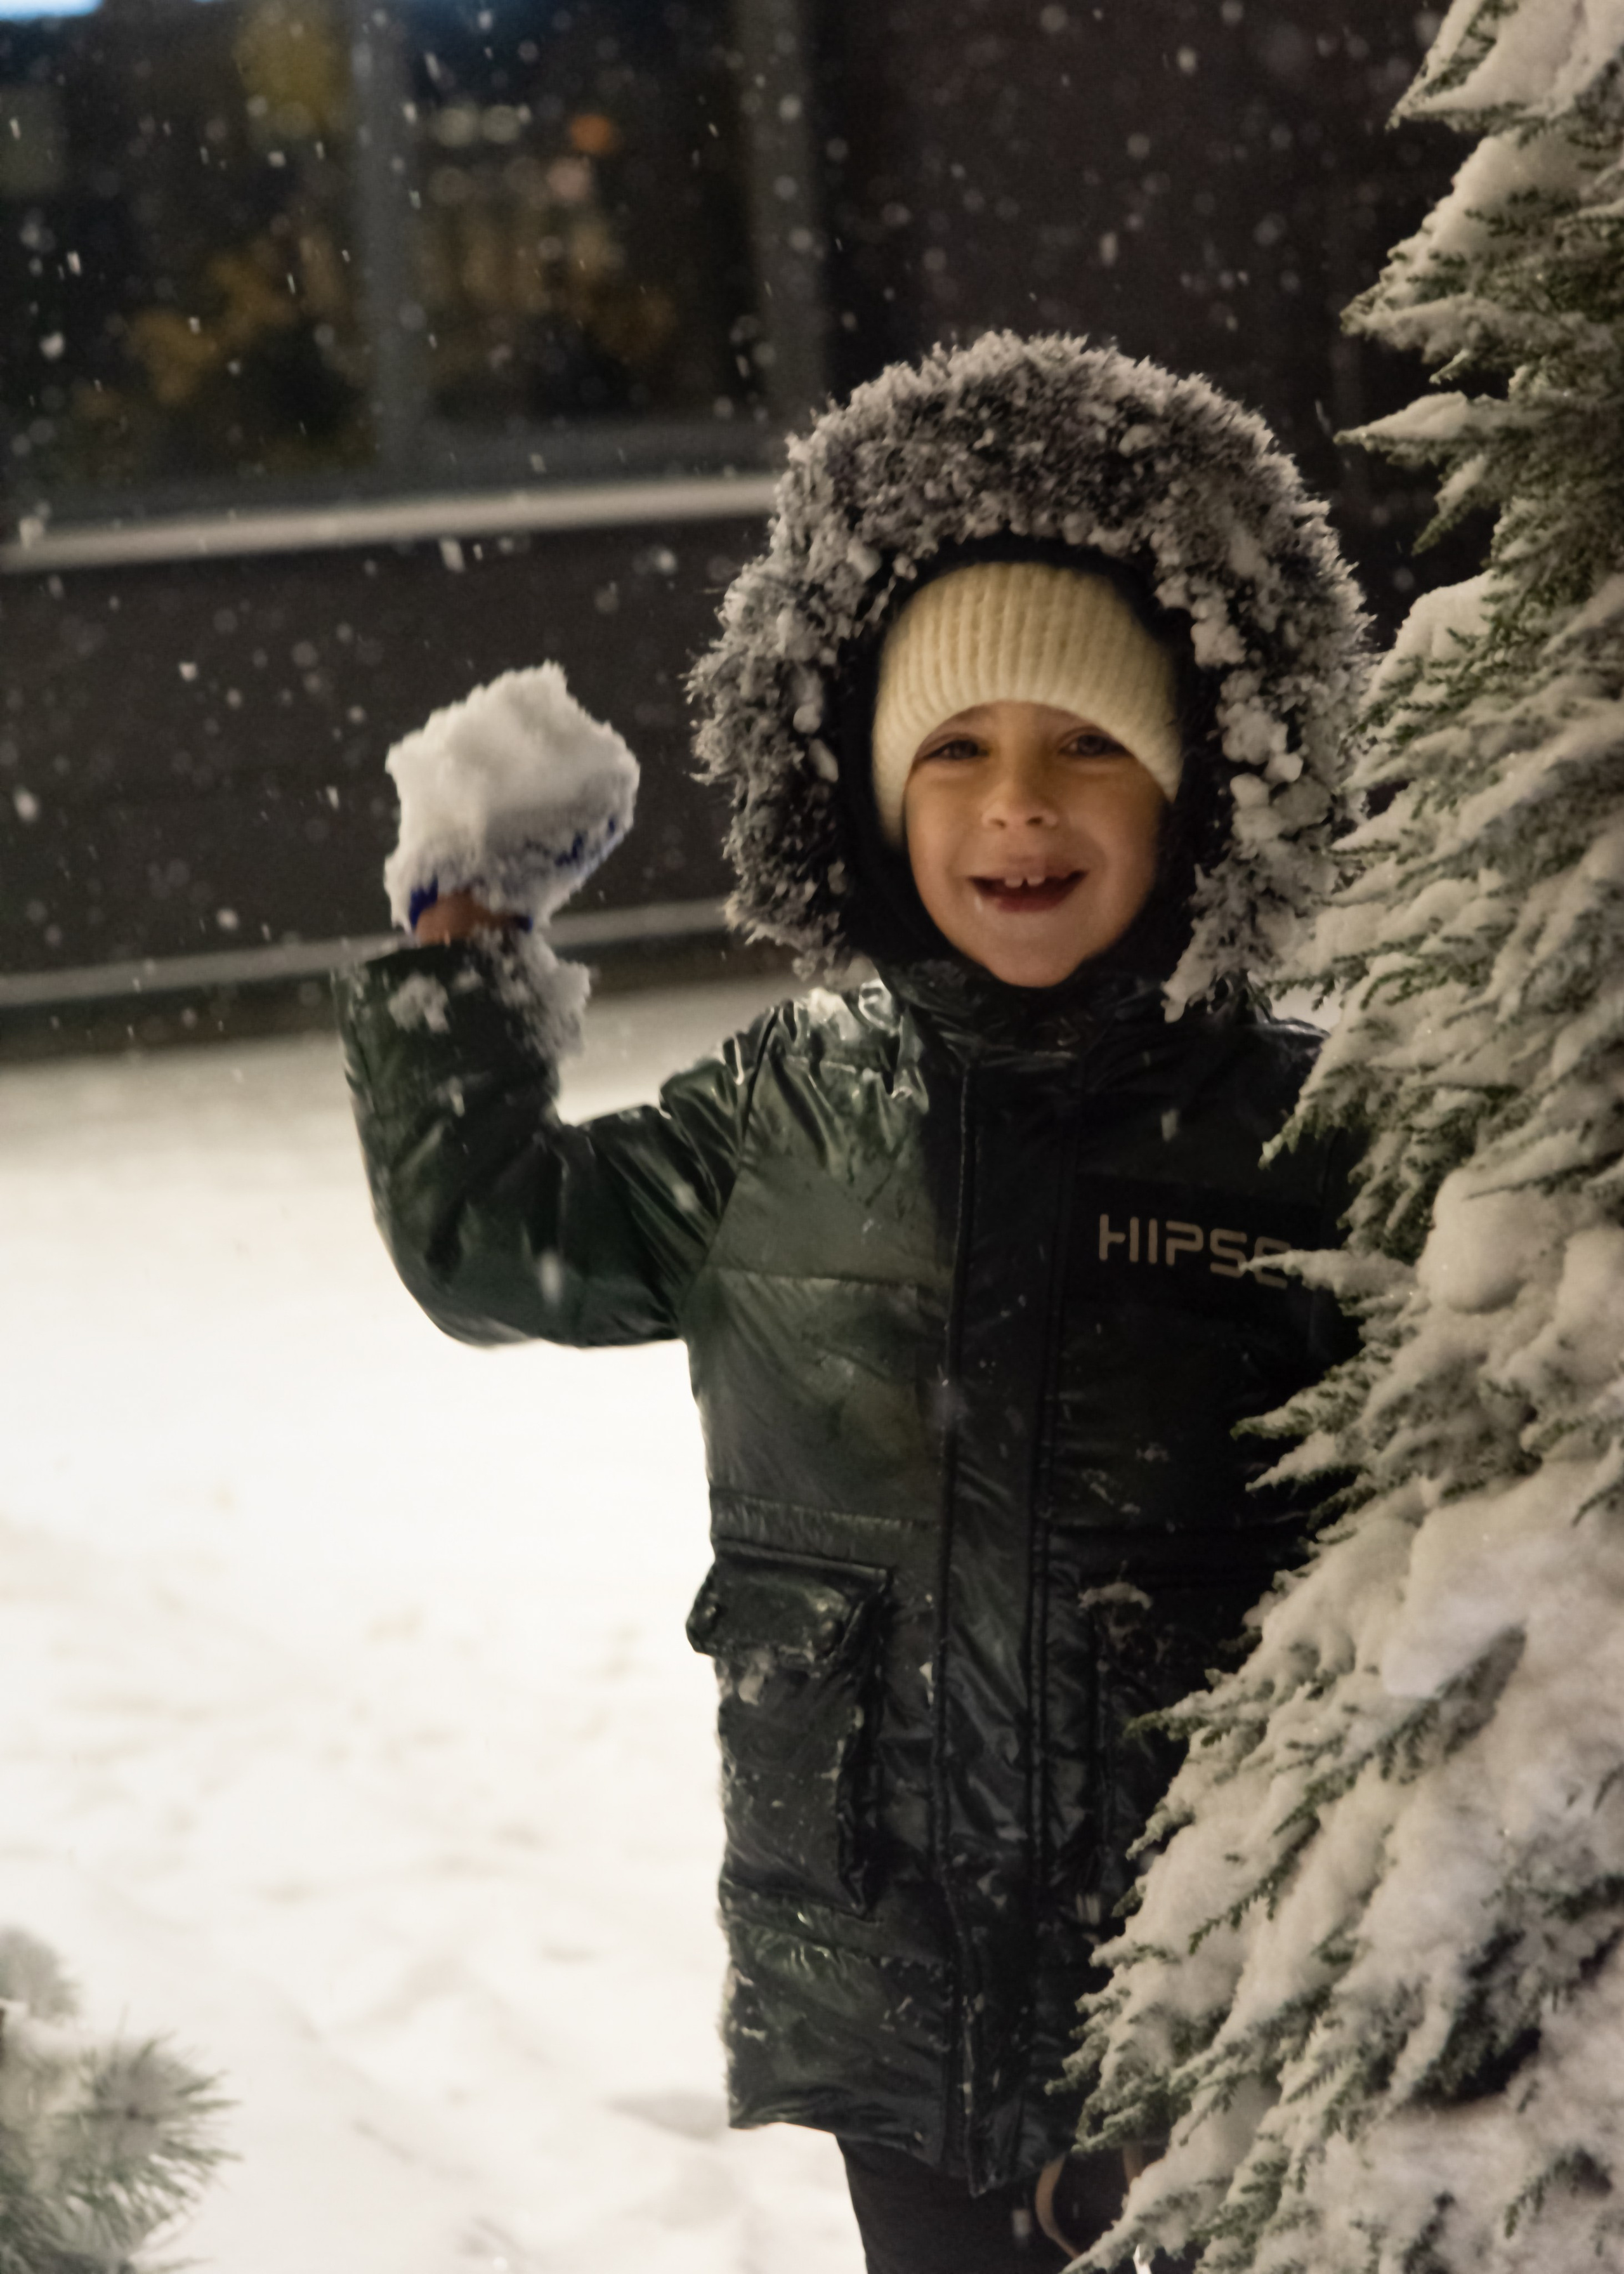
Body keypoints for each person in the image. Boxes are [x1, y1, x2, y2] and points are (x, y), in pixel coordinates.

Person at [337, 332, 1366, 2273]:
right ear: (878, 796)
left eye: (1087, 747)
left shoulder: (1308, 1138)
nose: (1019, 807)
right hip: (891, 1984)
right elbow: (497, 1244)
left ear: (1196, 786)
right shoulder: (791, 1106)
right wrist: (462, 952)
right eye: (957, 750)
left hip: (1224, 2001)